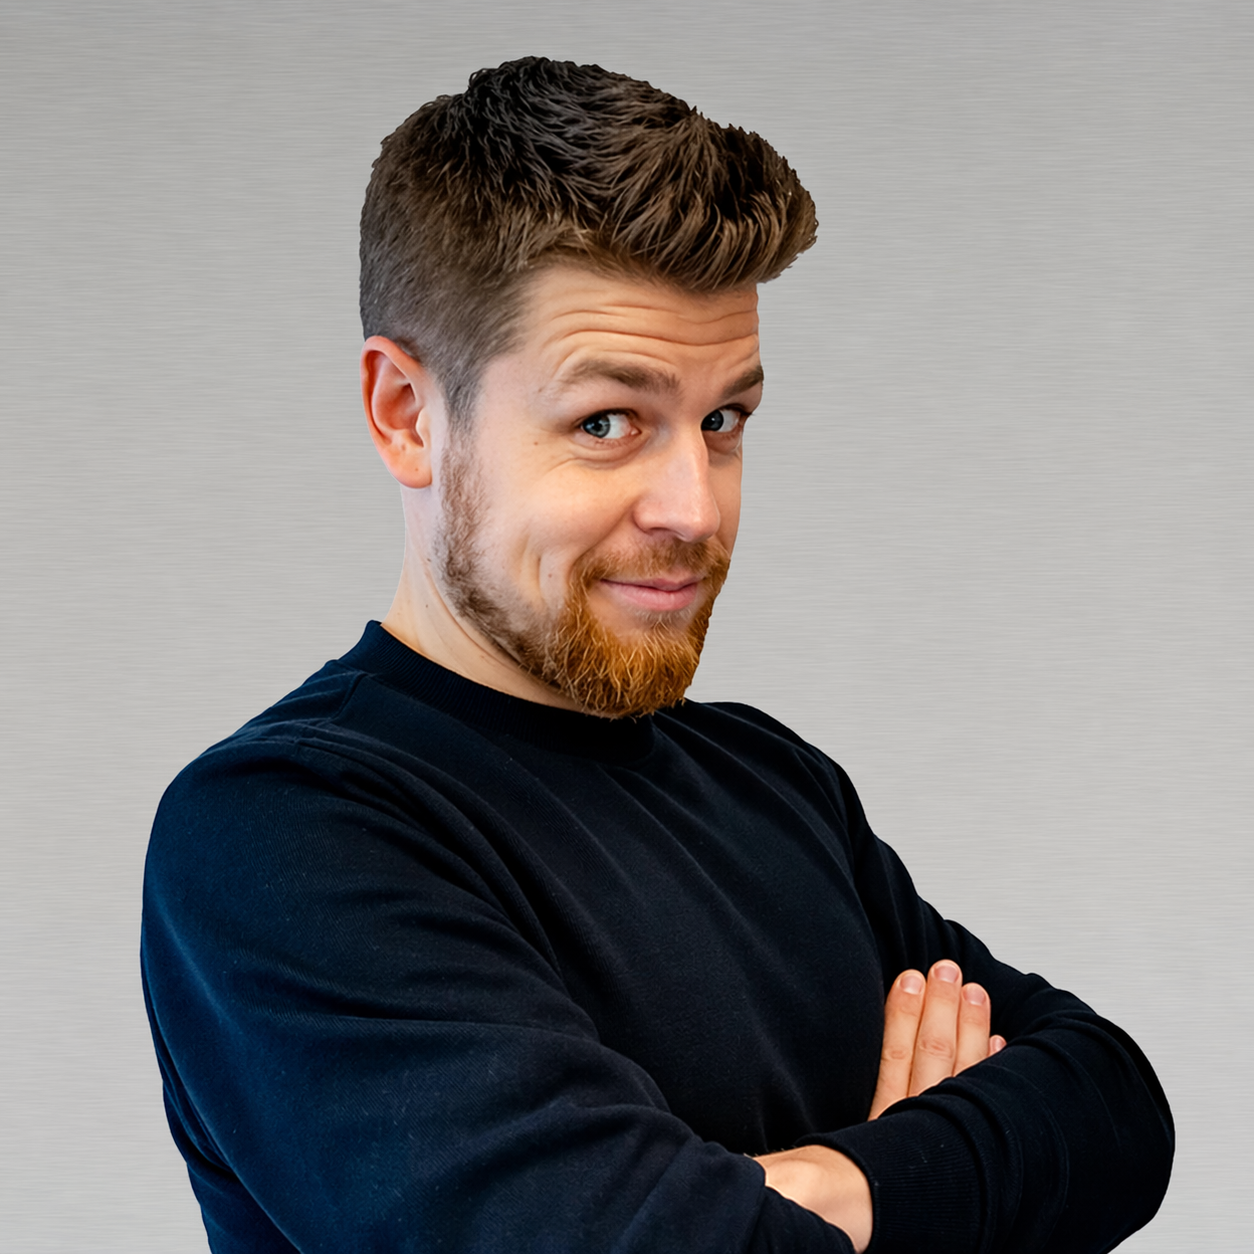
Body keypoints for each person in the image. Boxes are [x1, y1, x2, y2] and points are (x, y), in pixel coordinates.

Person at [141, 57, 1173, 1254]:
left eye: (722, 419)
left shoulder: (768, 781)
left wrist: (823, 1194)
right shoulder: (284, 834)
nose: (694, 507)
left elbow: (1114, 1106)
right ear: (406, 415)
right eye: (607, 422)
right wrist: (939, 1178)